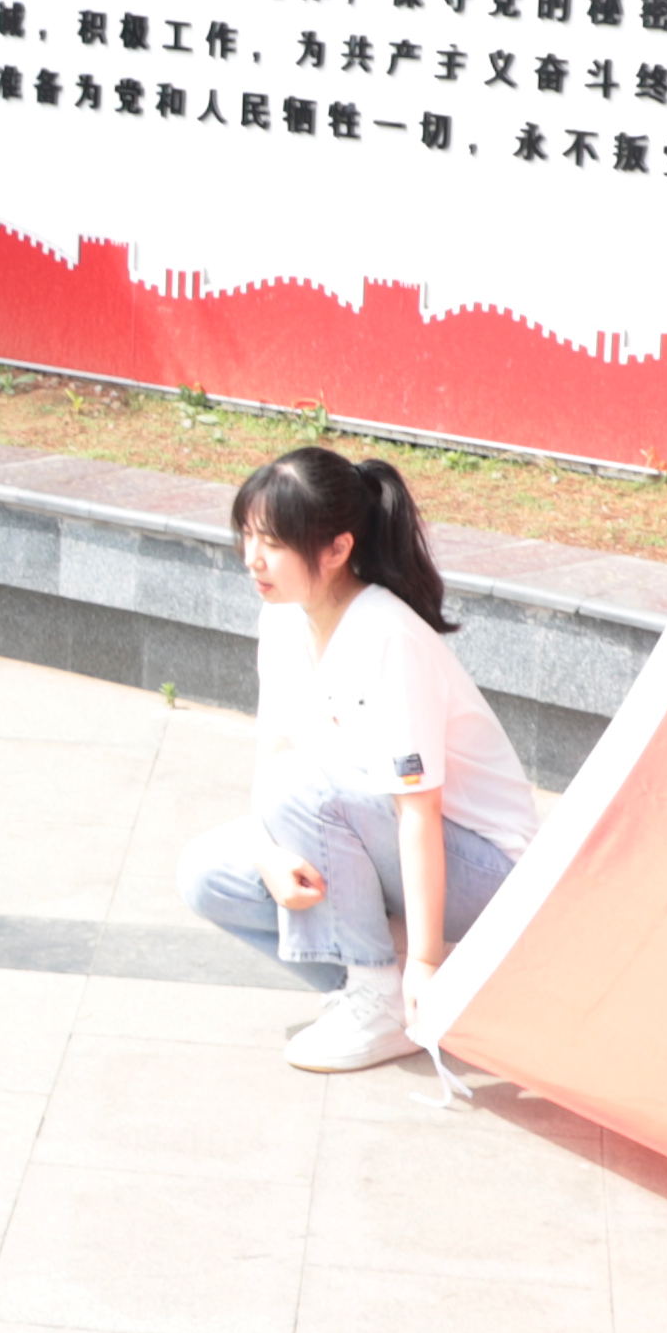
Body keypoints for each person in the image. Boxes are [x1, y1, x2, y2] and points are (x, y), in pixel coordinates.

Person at [182, 446, 539, 1074]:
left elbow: (417, 812)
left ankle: (388, 998)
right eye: (247, 536)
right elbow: (275, 750)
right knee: (209, 875)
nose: (252, 558)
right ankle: (371, 985)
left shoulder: (387, 635)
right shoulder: (283, 617)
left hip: (486, 874)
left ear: (336, 549)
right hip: (382, 842)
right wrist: (267, 856)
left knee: (303, 792)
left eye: (273, 543)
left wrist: (424, 961)